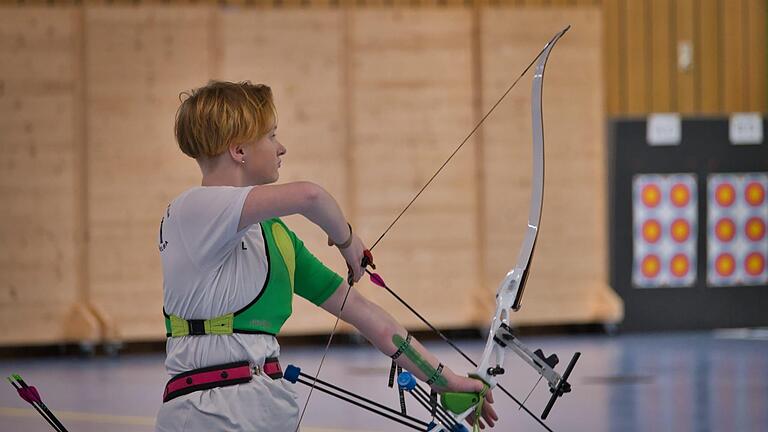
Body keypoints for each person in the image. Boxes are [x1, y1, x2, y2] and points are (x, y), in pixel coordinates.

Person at [155, 80, 497, 431]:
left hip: (265, 408)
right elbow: (311, 197)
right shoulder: (190, 212)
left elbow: (366, 316)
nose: (281, 147)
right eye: (271, 136)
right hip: (206, 412)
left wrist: (442, 379)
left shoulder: (273, 237)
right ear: (239, 150)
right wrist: (348, 242)